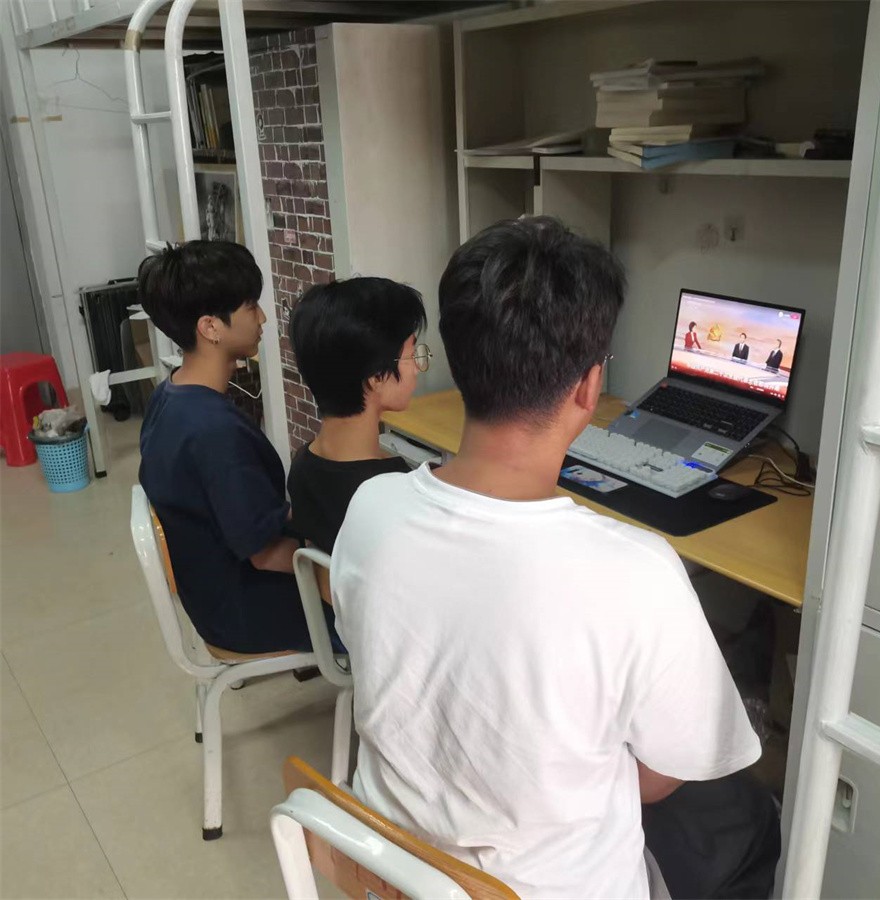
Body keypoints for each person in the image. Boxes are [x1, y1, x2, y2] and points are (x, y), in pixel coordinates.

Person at [331, 217, 779, 900]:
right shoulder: (637, 573)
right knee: (750, 822)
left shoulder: (371, 507)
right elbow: (660, 778)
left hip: (394, 872)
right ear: (588, 387)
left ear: (457, 360)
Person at [138, 241, 313, 654]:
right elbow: (266, 555)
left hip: (212, 594)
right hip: (245, 608)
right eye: (251, 306)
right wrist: (347, 567)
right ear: (211, 327)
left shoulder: (169, 396)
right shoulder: (214, 432)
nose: (262, 317)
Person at [286, 277, 429, 555]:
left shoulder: (301, 467)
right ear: (377, 377)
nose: (417, 369)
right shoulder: (393, 491)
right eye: (412, 355)